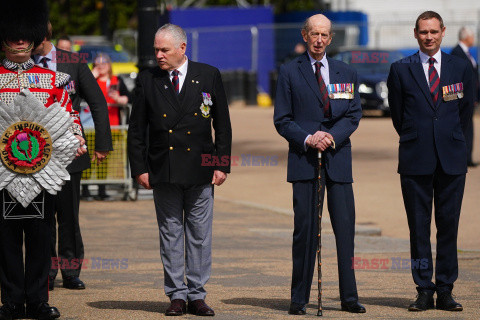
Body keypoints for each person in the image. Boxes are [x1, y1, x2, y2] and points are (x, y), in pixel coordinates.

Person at [127, 23, 231, 317]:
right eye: (156, 49)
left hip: (200, 169)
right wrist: (140, 169)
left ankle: (197, 295)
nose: (158, 55)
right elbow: (137, 130)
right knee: (170, 232)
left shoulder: (208, 75)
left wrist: (221, 164)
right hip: (164, 169)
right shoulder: (148, 80)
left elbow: (222, 124)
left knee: (199, 234)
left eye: (164, 50)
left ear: (182, 48)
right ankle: (176, 295)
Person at [0, 1, 87, 319]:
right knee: (6, 240)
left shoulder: (54, 80)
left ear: (35, 37)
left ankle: (37, 299)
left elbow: (69, 115)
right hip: (3, 176)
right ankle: (10, 300)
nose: (20, 40)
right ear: (4, 38)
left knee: (41, 237)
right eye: (13, 35)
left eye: (26, 35)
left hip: (41, 175)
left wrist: (77, 137)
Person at [274, 14, 365, 315]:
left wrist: (330, 136)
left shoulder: (346, 72)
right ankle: (298, 298)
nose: (319, 40)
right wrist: (309, 138)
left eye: (324, 35)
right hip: (304, 160)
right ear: (304, 35)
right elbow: (282, 120)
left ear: (330, 38)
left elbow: (352, 114)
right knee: (305, 231)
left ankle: (349, 297)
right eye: (314, 34)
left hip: (338, 160)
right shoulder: (289, 71)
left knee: (345, 230)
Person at [387, 11, 474, 312]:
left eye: (434, 32)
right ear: (415, 34)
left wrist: (446, 139)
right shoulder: (400, 69)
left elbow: (464, 115)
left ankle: (446, 289)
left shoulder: (460, 68)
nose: (429, 37)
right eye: (423, 32)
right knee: (418, 227)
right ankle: (424, 289)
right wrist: (420, 137)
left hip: (451, 160)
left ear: (443, 32)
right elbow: (399, 116)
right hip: (415, 159)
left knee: (448, 226)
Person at [33, 22, 112, 291]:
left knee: (68, 216)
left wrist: (102, 143)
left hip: (70, 151)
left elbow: (97, 101)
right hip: (32, 154)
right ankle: (45, 271)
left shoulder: (73, 61)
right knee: (41, 215)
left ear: (45, 34)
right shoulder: (21, 63)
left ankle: (70, 271)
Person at [81, 53, 129, 200]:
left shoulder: (117, 80)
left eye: (104, 63)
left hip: (112, 125)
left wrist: (119, 99)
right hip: (89, 125)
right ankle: (86, 190)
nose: (101, 66)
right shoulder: (89, 79)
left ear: (109, 65)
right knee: (87, 158)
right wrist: (90, 77)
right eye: (98, 63)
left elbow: (128, 97)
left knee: (105, 159)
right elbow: (78, 94)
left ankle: (102, 191)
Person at [451, 26, 479, 167]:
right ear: (466, 37)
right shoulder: (457, 52)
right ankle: (462, 158)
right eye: (472, 36)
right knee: (463, 128)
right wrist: (460, 98)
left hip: (470, 98)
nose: (474, 38)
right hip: (462, 99)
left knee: (469, 129)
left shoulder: (467, 53)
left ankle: (467, 157)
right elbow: (455, 78)